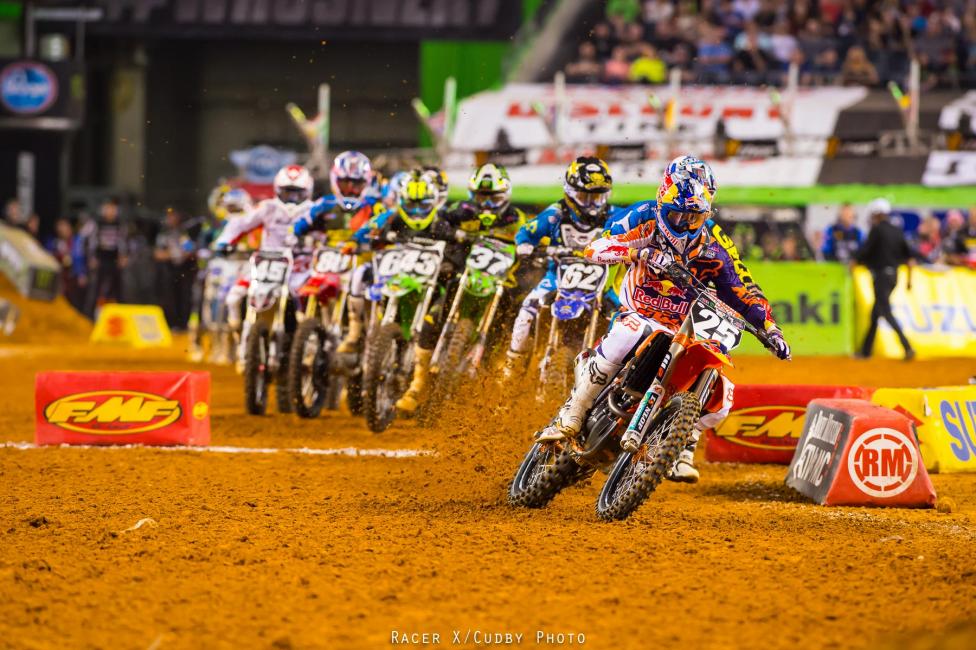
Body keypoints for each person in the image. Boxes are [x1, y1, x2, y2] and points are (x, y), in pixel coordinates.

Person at [542, 156, 790, 483]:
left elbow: (740, 287)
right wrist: (636, 253)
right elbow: (596, 248)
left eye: (694, 216)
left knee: (721, 396)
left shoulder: (714, 242)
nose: (685, 221)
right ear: (663, 200)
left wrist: (769, 327)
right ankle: (574, 412)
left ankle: (678, 442)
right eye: (678, 213)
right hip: (639, 310)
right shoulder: (643, 216)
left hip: (683, 326)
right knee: (629, 333)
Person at [348, 168, 465, 414]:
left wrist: (452, 258)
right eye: (411, 204)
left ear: (433, 202)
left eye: (422, 205)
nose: (416, 210)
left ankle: (420, 381)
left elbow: (459, 250)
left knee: (435, 317)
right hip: (401, 280)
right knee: (374, 297)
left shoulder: (442, 222)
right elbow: (370, 228)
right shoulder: (393, 217)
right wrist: (360, 239)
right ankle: (365, 353)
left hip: (432, 285)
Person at [503, 157, 628, 375]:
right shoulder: (555, 214)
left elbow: (638, 232)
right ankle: (512, 364)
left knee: (627, 322)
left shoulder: (617, 216)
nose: (591, 204)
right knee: (528, 308)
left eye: (596, 197)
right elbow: (527, 231)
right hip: (557, 279)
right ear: (569, 192)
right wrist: (524, 245)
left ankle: (617, 375)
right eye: (584, 196)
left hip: (604, 284)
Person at [215, 164, 315, 364]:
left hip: (300, 268)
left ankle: (310, 345)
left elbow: (327, 233)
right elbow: (240, 224)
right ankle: (241, 339)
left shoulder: (313, 210)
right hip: (267, 265)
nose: (292, 198)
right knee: (234, 296)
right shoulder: (268, 207)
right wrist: (225, 241)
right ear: (278, 190)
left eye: (297, 193)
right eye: (288, 192)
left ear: (307, 192)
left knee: (309, 299)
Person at [855, 198, 915, 360]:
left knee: (885, 312)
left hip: (881, 277)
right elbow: (910, 258)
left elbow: (865, 252)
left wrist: (855, 260)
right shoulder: (897, 231)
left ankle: (907, 347)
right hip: (894, 277)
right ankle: (865, 351)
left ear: (876, 214)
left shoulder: (877, 230)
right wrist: (910, 280)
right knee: (876, 313)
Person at [296, 151, 382, 241]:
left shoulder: (373, 205)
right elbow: (296, 230)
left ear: (366, 182)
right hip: (327, 253)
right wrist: (313, 237)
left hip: (365, 253)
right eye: (345, 182)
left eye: (357, 183)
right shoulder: (324, 203)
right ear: (335, 180)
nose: (350, 188)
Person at [81, 197, 128, 317]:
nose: (111, 211)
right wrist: (91, 257)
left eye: (113, 208)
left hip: (114, 260)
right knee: (95, 289)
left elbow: (123, 241)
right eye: (108, 208)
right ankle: (89, 317)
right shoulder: (95, 223)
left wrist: (123, 256)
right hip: (100, 259)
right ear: (102, 209)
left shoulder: (120, 224)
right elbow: (84, 239)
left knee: (119, 289)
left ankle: (121, 316)